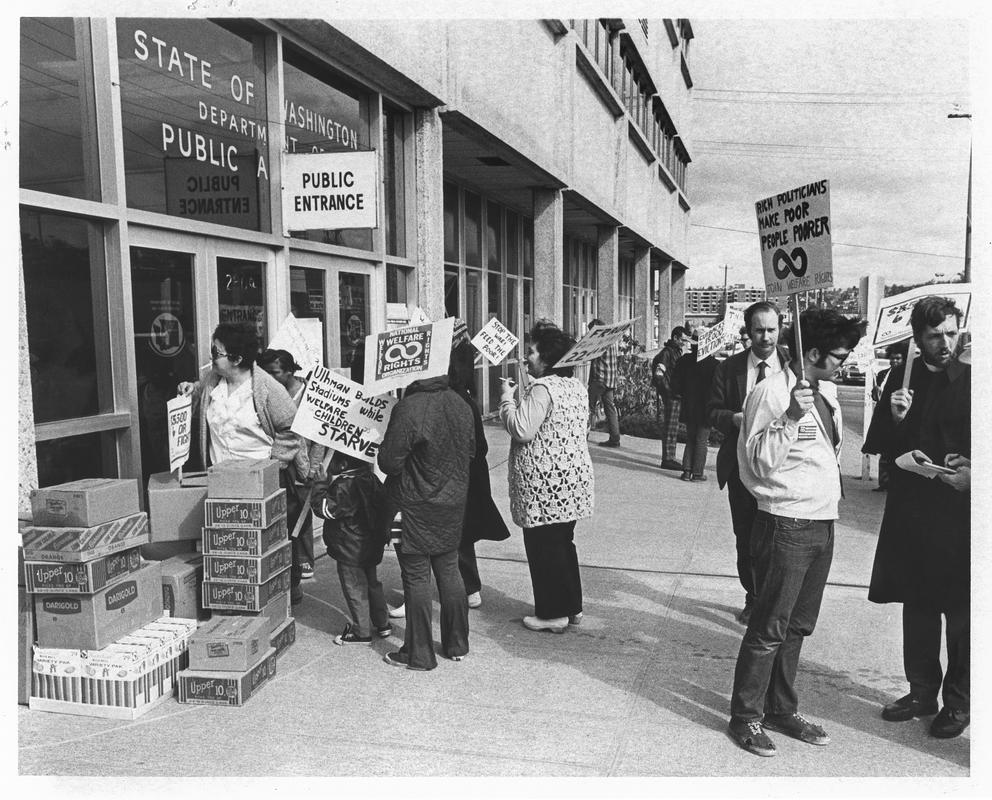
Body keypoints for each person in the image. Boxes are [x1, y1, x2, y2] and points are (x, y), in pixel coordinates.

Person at [727, 307, 862, 758]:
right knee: (769, 627)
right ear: (815, 352)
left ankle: (781, 708)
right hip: (785, 522)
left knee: (798, 627)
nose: (845, 362)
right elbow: (756, 462)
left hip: (823, 521)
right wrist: (788, 417)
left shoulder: (827, 389)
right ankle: (746, 717)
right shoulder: (771, 392)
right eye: (839, 355)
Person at [864, 296, 970, 738]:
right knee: (919, 603)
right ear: (917, 339)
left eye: (950, 332)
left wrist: (975, 475)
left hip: (961, 512)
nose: (945, 342)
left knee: (962, 611)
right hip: (914, 509)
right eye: (934, 336)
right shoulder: (900, 380)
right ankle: (922, 691)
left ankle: (959, 703)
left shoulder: (974, 379)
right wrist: (894, 417)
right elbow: (880, 448)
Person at [177, 322, 306, 599]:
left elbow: (291, 429)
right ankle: (239, 596)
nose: (211, 358)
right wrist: (190, 388)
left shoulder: (267, 388)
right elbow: (201, 391)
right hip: (221, 479)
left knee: (265, 544)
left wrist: (274, 464)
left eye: (216, 353)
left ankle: (280, 595)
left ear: (236, 358)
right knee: (233, 544)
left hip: (260, 482)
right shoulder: (213, 381)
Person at [377, 367, 475, 671]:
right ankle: (457, 643)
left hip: (414, 504)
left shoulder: (409, 407)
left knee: (416, 576)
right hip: (452, 502)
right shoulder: (461, 403)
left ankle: (418, 653)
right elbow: (471, 450)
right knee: (449, 569)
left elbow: (389, 462)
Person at [499, 325, 594, 633]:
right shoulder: (576, 387)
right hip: (571, 480)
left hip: (544, 485)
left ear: (547, 357)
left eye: (532, 350)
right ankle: (572, 606)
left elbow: (521, 429)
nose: (527, 357)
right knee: (563, 543)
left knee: (543, 547)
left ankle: (552, 613)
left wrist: (506, 399)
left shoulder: (543, 389)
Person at [706, 301, 787, 625]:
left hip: (782, 468)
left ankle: (773, 599)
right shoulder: (730, 368)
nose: (765, 337)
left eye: (771, 330)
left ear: (779, 329)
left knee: (778, 540)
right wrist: (735, 419)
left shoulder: (793, 367)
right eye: (759, 330)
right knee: (747, 538)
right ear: (748, 331)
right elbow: (710, 411)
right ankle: (753, 597)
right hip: (741, 468)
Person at [448, 335, 511, 610]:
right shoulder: (468, 401)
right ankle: (469, 586)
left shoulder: (457, 402)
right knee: (461, 534)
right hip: (467, 478)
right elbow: (480, 447)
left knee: (456, 534)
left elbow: (478, 447)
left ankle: (467, 586)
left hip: (458, 479)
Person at [310, 451, 393, 645]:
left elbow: (325, 509)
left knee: (355, 588)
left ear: (343, 463)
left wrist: (321, 485)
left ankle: (361, 632)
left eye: (332, 460)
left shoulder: (345, 485)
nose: (327, 464)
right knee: (372, 583)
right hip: (370, 543)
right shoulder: (370, 478)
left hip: (349, 547)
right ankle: (383, 623)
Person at [257, 349, 321, 584]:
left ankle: (305, 560)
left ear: (289, 371)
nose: (270, 379)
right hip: (283, 461)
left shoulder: (310, 393)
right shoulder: (270, 394)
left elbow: (319, 435)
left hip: (304, 461)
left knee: (303, 513)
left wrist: (313, 467)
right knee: (285, 513)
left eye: (275, 373)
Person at [670, 330, 717, 482]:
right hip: (706, 408)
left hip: (689, 406)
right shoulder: (714, 364)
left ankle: (686, 471)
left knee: (691, 438)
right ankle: (697, 473)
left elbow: (675, 384)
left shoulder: (684, 361)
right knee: (702, 440)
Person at [869, 342, 906, 492]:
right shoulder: (883, 374)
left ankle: (896, 482)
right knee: (884, 452)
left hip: (898, 418)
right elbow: (877, 397)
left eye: (898, 358)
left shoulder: (906, 376)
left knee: (896, 451)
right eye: (892, 358)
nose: (895, 361)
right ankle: (883, 482)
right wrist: (876, 391)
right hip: (884, 418)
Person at [652, 326, 690, 470]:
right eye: (682, 339)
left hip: (674, 394)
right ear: (675, 338)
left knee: (673, 426)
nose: (683, 343)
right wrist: (668, 392)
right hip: (672, 395)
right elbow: (659, 375)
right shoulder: (667, 353)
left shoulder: (674, 352)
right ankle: (668, 459)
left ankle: (670, 457)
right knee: (670, 426)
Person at [586, 318, 621, 447]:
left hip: (599, 379)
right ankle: (615, 438)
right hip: (610, 380)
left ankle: (583, 436)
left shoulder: (599, 341)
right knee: (610, 409)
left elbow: (590, 357)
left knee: (590, 408)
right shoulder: (612, 340)